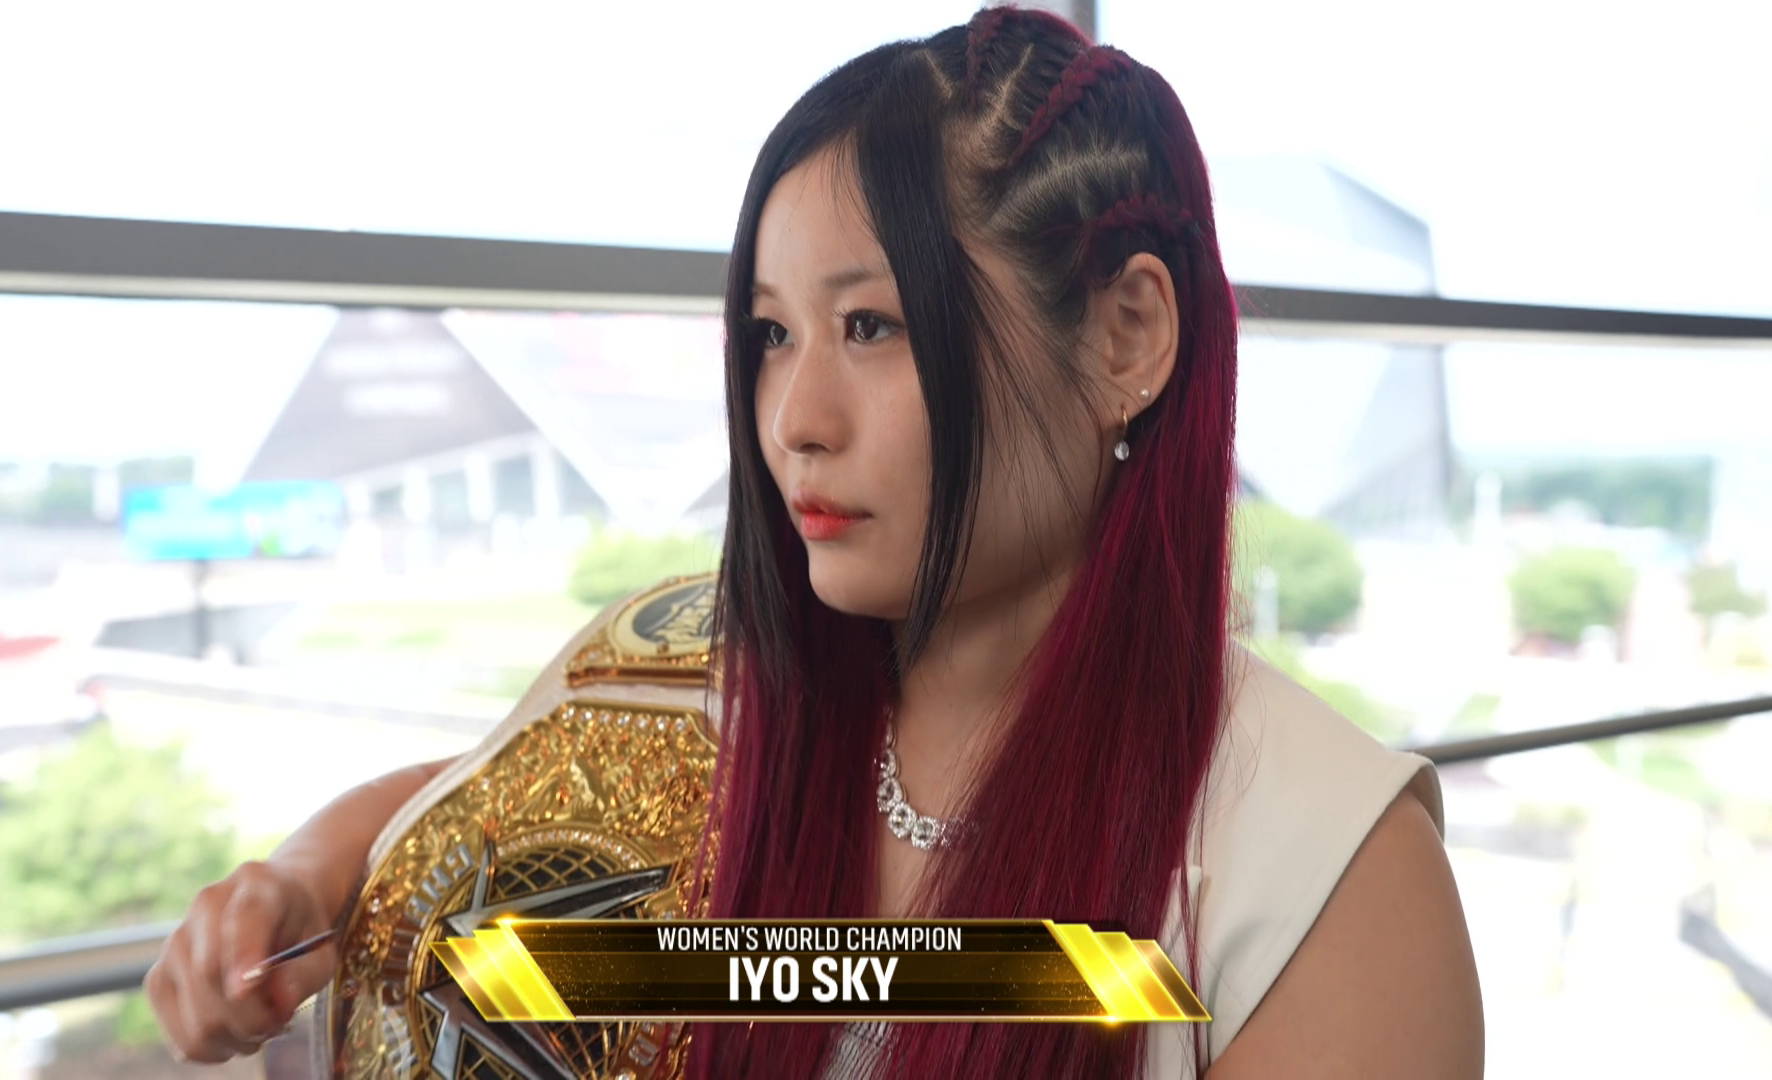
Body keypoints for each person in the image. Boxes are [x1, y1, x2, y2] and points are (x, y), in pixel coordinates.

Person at [145, 7, 1484, 1078]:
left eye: (871, 327)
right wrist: (293, 888)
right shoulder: (705, 678)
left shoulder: (1331, 878)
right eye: (773, 334)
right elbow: (479, 802)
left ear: (1126, 337)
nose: (795, 418)